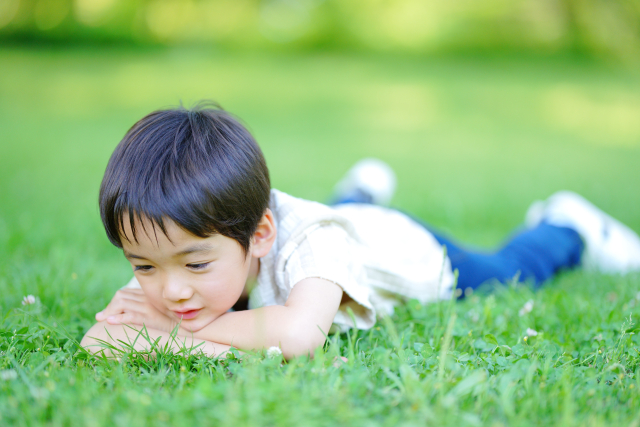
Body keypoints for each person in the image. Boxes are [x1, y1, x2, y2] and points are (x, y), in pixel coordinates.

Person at [81, 102, 640, 359]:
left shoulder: (309, 241)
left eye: (196, 265)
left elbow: (299, 335)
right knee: (330, 220)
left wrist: (171, 339)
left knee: (509, 272)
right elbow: (102, 337)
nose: (170, 291)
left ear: (258, 234)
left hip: (410, 251)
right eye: (142, 266)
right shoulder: (180, 245)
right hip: (338, 232)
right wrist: (145, 322)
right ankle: (356, 193)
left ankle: (569, 224)